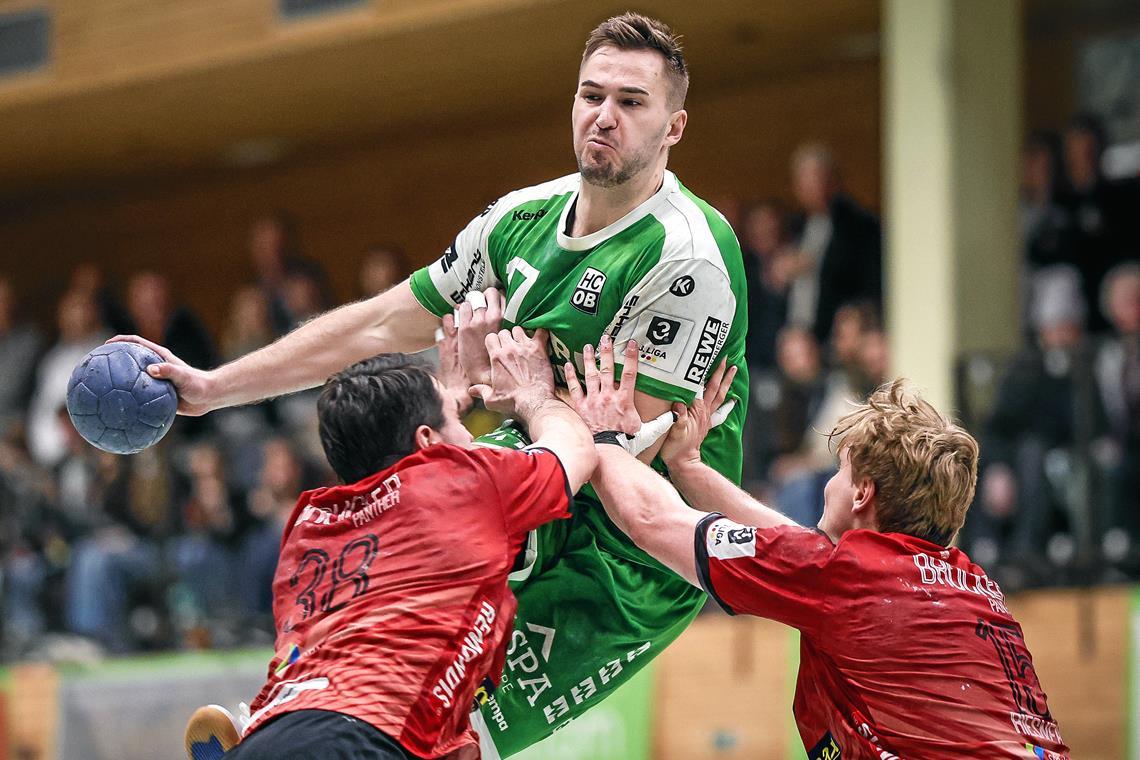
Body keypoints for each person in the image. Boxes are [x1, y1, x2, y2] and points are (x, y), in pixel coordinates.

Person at [124, 13, 748, 756]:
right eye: (591, 95)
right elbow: (383, 323)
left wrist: (496, 391)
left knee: (449, 723)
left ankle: (296, 727)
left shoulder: (688, 256)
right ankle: (302, 711)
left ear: (673, 128)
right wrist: (211, 388)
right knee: (409, 507)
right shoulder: (520, 218)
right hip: (544, 463)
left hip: (628, 553)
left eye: (631, 102)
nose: (603, 117)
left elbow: (621, 443)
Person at [565, 338, 1069, 759]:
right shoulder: (970, 584)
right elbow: (802, 550)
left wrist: (602, 434)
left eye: (838, 471)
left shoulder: (849, 579)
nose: (827, 484)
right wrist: (690, 467)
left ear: (861, 493)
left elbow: (651, 521)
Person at [185, 328, 595, 760]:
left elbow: (400, 464)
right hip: (357, 740)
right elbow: (576, 451)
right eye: (457, 422)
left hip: (285, 725)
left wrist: (441, 400)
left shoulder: (308, 525)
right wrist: (534, 395)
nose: (471, 438)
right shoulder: (460, 478)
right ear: (427, 440)